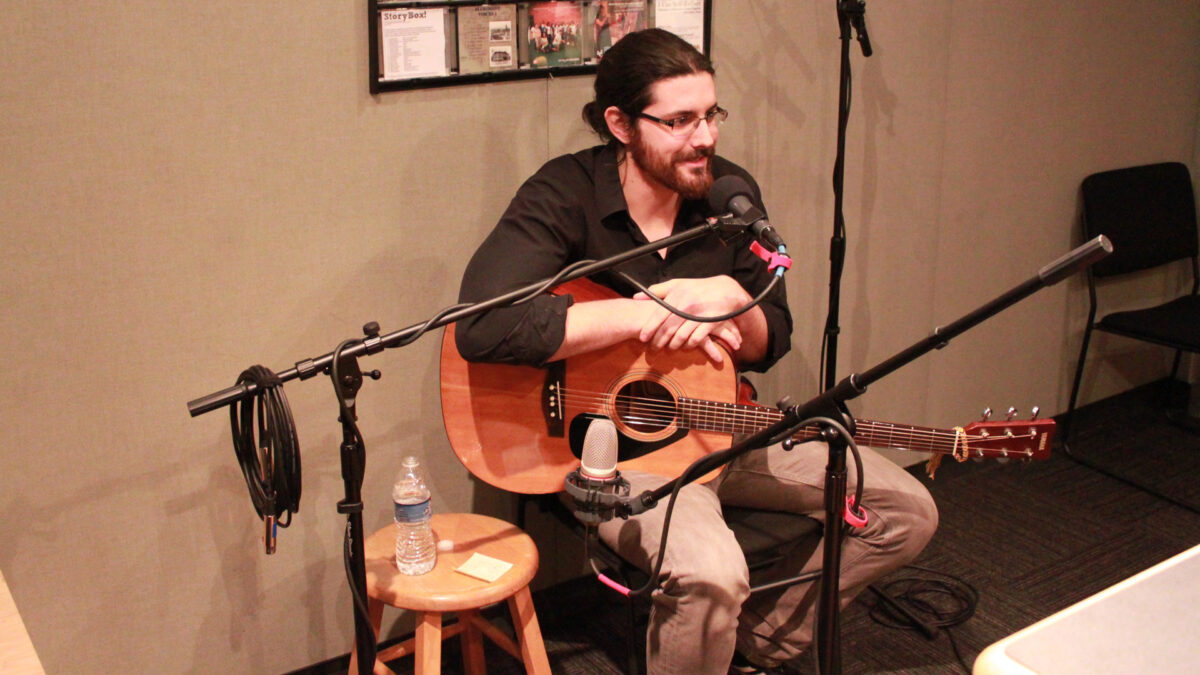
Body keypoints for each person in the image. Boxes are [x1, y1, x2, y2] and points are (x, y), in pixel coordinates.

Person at [455, 28, 938, 675]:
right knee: (712, 573)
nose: (705, 136)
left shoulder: (729, 196)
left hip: (725, 426)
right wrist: (646, 312)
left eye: (711, 114)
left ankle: (762, 640)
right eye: (680, 120)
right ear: (620, 123)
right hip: (609, 452)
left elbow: (774, 337)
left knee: (907, 509)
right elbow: (483, 325)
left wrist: (735, 297)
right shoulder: (566, 192)